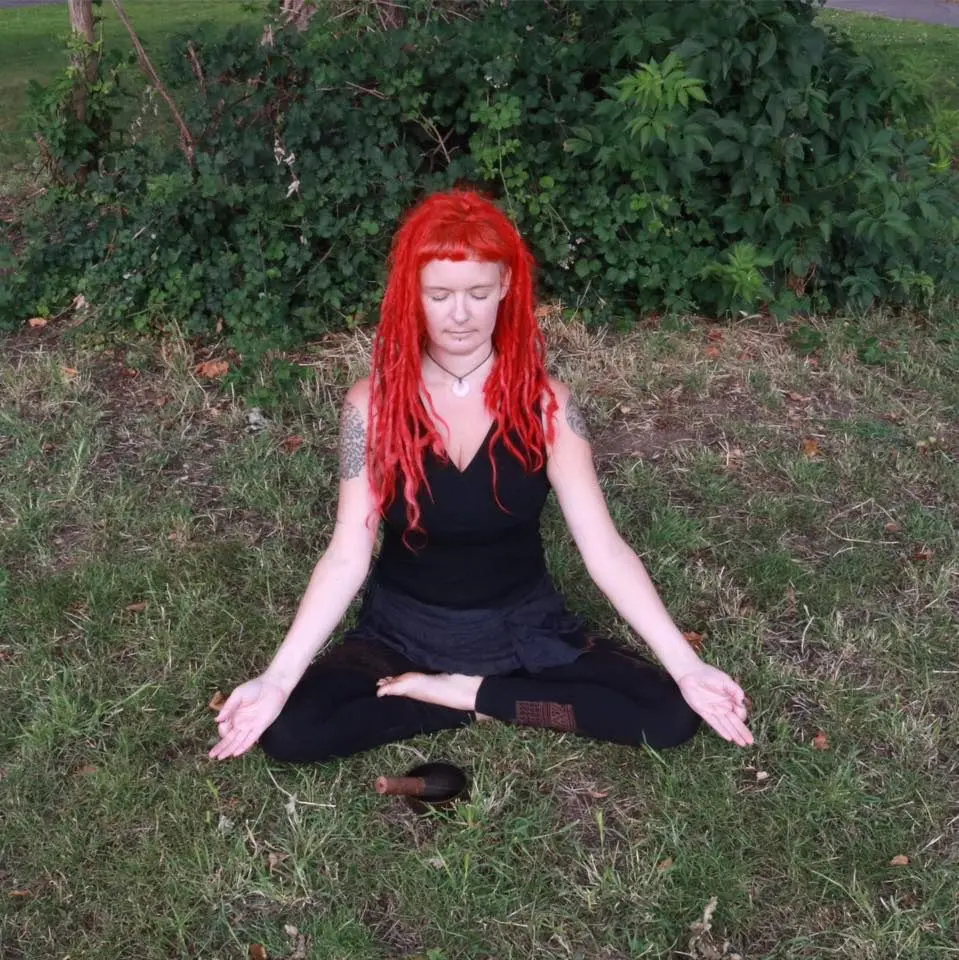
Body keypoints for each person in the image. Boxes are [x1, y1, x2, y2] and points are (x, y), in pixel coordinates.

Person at [209, 189, 753, 764]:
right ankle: (488, 700)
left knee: (667, 715)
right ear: (412, 294)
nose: (460, 314)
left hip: (524, 632)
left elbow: (605, 550)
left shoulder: (548, 406)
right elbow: (347, 554)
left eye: (477, 293)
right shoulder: (372, 407)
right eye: (439, 295)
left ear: (506, 288)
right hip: (401, 635)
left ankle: (465, 696)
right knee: (293, 732)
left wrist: (687, 666)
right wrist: (277, 679)